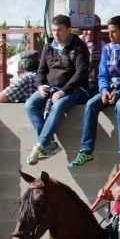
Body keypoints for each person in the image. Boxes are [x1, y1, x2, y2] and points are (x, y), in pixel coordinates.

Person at [70, 16, 120, 169]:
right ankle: (86, 149)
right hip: (112, 90)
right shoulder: (108, 49)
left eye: (113, 32)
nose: (110, 35)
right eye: (109, 31)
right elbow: (103, 75)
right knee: (92, 103)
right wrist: (104, 90)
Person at [24, 14, 90, 165]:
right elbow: (41, 70)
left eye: (59, 30)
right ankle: (50, 144)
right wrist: (40, 85)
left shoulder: (79, 47)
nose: (56, 34)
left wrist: (63, 91)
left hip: (75, 89)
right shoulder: (49, 46)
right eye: (53, 30)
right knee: (30, 104)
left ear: (68, 30)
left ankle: (40, 145)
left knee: (59, 105)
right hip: (50, 88)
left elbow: (81, 73)